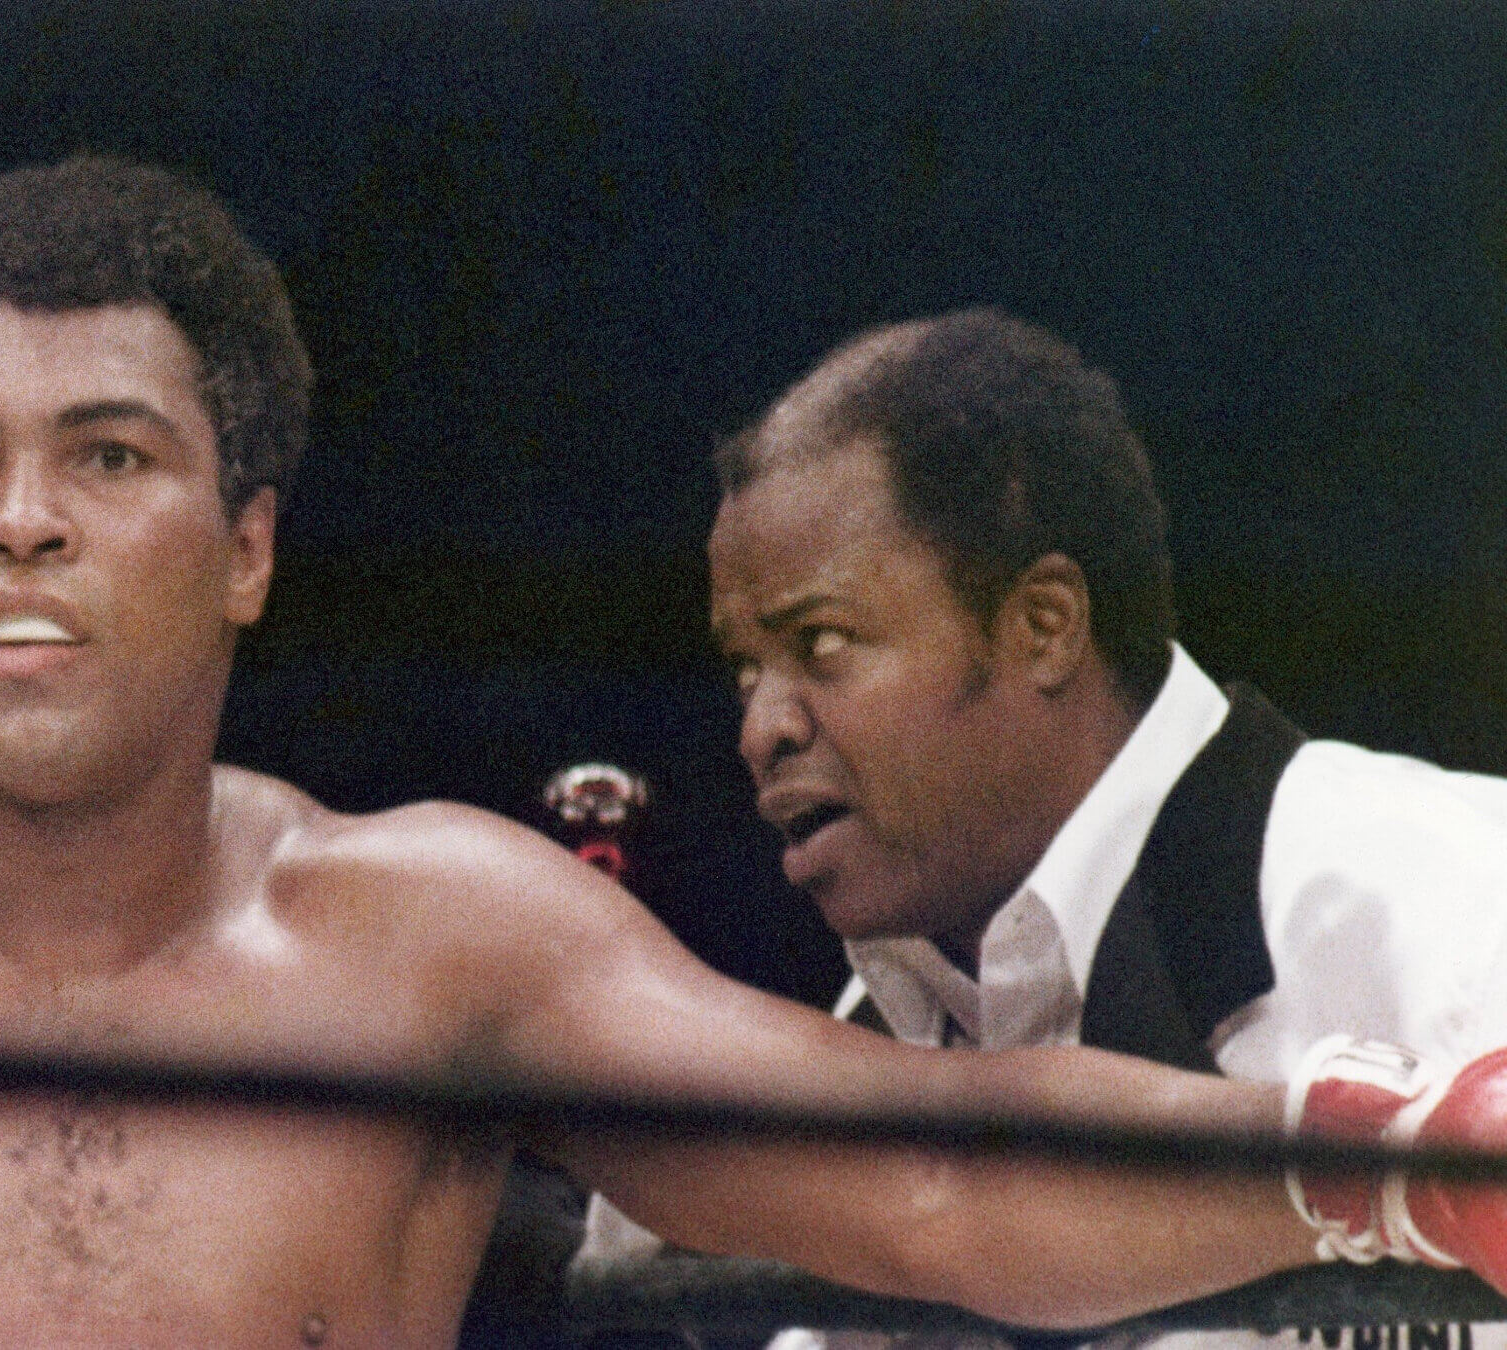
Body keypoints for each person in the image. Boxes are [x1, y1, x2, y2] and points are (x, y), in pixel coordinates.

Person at [0, 167, 1505, 1349]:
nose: (19, 516)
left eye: (104, 455)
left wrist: (1382, 1163)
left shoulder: (425, 940)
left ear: (246, 541)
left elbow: (921, 1169)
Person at [580, 307, 1507, 1348]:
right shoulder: (854, 1059)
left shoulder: (1444, 903)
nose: (762, 728)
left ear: (1044, 625)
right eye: (746, 668)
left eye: (824, 641)